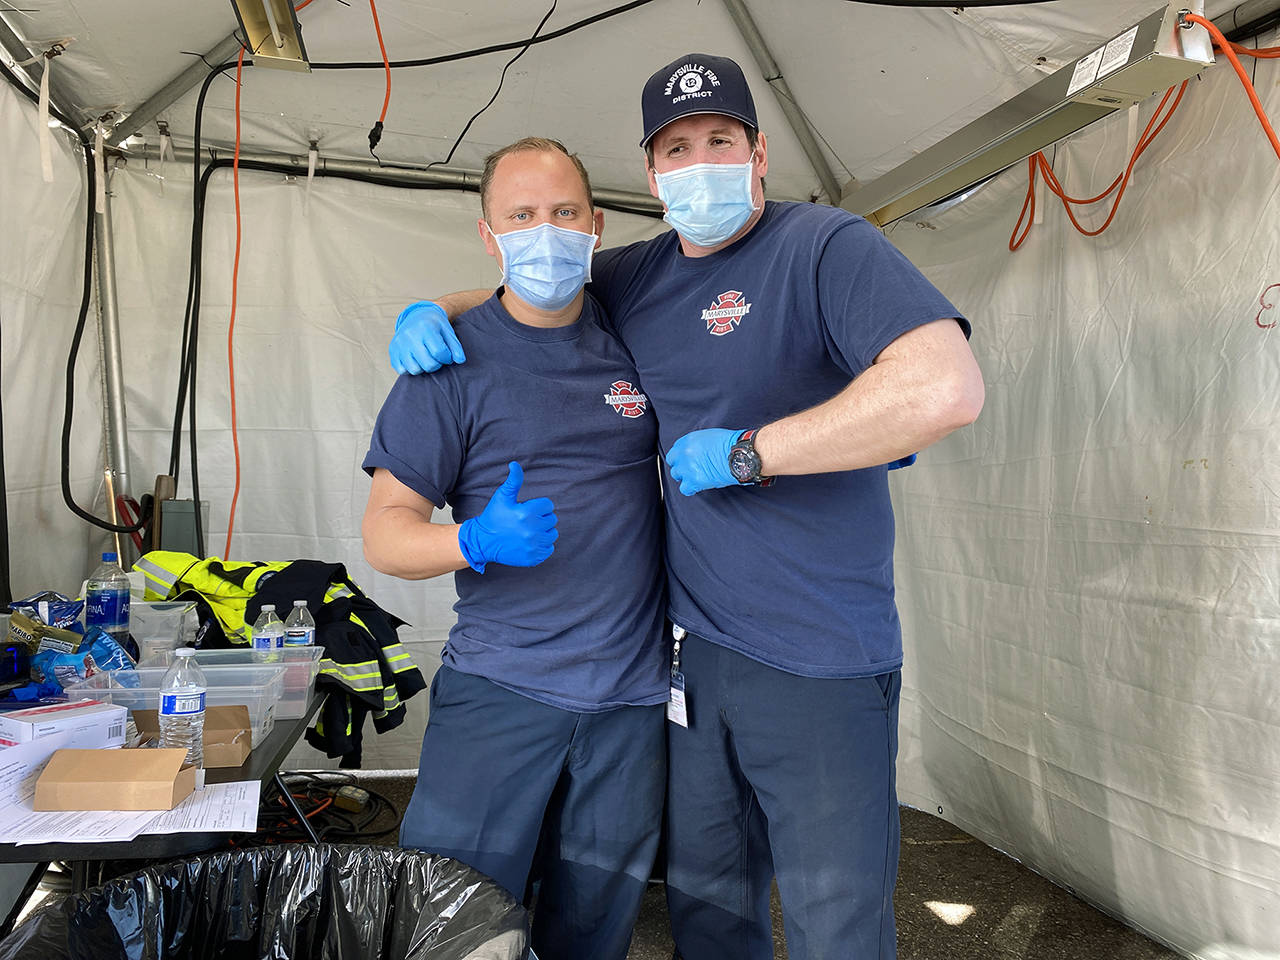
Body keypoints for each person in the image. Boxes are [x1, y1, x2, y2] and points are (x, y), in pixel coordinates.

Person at [388, 54, 985, 960]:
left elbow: (944, 388)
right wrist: (432, 304)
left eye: (720, 140)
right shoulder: (641, 274)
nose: (699, 161)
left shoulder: (826, 246)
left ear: (758, 153)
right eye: (676, 148)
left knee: (835, 922)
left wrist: (752, 454)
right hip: (691, 664)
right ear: (654, 174)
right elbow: (537, 288)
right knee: (710, 913)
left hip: (819, 653)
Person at [361, 136, 668, 960]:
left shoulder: (632, 331)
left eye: (564, 213)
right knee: (451, 924)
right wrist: (470, 539)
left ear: (595, 225)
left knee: (595, 930)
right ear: (490, 234)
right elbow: (384, 532)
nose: (547, 233)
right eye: (522, 216)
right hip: (502, 691)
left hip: (631, 704)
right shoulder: (446, 368)